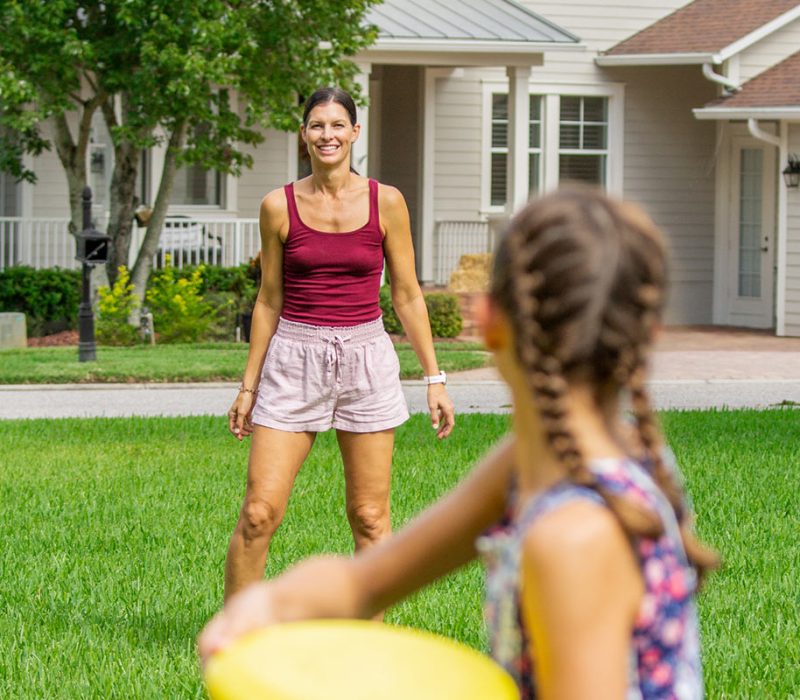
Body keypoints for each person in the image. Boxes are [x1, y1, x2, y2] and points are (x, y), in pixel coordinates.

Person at [201, 187, 719, 698]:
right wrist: (266, 607)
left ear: (490, 323)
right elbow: (368, 581)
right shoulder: (547, 463)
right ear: (648, 333)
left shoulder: (573, 536)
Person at [223, 86, 455, 600]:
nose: (327, 135)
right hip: (293, 358)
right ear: (303, 134)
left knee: (370, 517)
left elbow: (408, 294)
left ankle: (367, 645)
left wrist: (434, 378)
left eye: (336, 125)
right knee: (260, 513)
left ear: (354, 132)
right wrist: (248, 387)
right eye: (316, 125)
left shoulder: (386, 202)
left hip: (366, 359)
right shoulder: (277, 207)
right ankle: (234, 637)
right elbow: (268, 300)